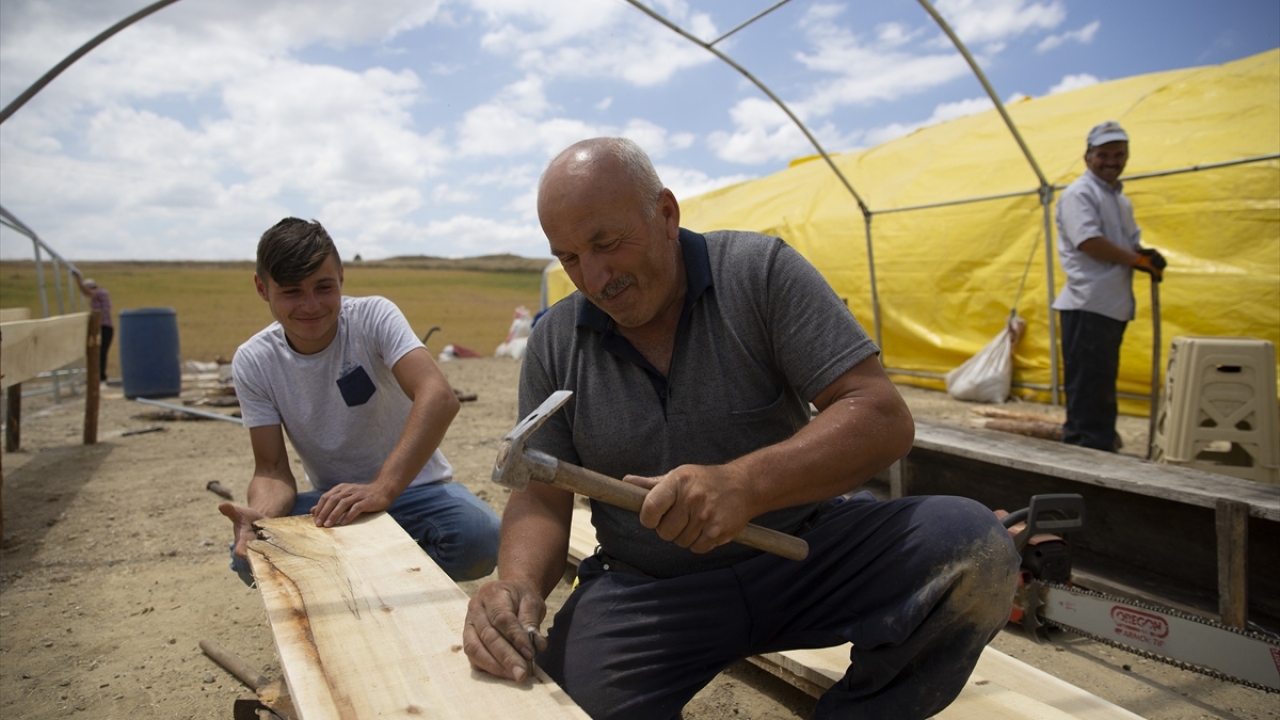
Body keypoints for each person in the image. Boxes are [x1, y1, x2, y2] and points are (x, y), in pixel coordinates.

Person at [463, 138, 1019, 719]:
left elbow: (879, 415)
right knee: (561, 709)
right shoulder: (555, 341)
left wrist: (746, 484)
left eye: (607, 243)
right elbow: (541, 495)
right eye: (570, 258)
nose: (595, 278)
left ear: (666, 214)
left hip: (804, 556)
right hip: (647, 590)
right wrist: (520, 585)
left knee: (971, 546)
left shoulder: (759, 274)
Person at [219, 217, 501, 585]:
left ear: (341, 277)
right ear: (262, 288)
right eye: (291, 292)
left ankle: (357, 582)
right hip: (333, 503)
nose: (311, 305)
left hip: (415, 490)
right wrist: (259, 515)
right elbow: (271, 468)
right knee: (251, 559)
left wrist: (381, 488)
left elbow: (438, 396)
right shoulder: (254, 360)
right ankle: (382, 581)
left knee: (480, 538)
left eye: (324, 287)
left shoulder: (373, 317)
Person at [1052, 121, 1167, 451]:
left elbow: (1127, 243)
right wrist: (1134, 261)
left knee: (1099, 386)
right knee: (1089, 389)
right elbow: (1089, 241)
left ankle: (1092, 448)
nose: (1112, 160)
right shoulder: (1079, 194)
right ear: (1088, 157)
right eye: (1103, 154)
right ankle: (1089, 453)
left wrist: (1144, 255)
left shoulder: (1120, 200)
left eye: (1119, 154)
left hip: (1111, 305)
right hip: (1088, 304)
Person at [72, 271, 113, 383]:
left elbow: (85, 292)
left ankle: (101, 377)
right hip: (101, 327)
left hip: (104, 327)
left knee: (101, 352)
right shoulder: (99, 295)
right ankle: (97, 377)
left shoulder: (100, 293)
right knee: (97, 352)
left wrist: (78, 279)